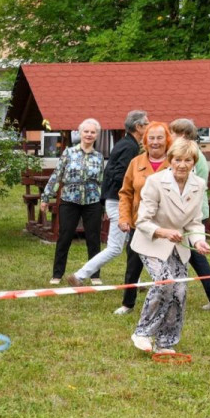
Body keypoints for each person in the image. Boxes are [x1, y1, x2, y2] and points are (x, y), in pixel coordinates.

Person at [129, 138, 210, 353]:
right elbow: (142, 221)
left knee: (180, 290)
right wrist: (164, 232)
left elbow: (195, 221)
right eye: (178, 160)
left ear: (194, 162)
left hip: (179, 245)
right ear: (170, 160)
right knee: (164, 282)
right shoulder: (156, 182)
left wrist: (199, 240)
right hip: (152, 241)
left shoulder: (199, 184)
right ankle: (142, 333)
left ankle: (166, 342)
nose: (182, 165)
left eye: (187, 160)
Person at [67, 110, 147, 288]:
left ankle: (135, 282)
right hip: (119, 201)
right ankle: (80, 276)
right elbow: (119, 175)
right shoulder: (130, 147)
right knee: (115, 247)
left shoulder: (127, 143)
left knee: (133, 243)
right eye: (146, 124)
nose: (148, 127)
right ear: (138, 127)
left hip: (115, 199)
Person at [167, 117, 210, 310]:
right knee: (189, 253)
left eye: (173, 133)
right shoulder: (191, 153)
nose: (170, 136)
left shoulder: (191, 156)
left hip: (192, 214)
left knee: (195, 255)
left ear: (183, 135)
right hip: (190, 212)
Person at [115, 121, 170, 315]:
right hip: (140, 223)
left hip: (165, 224)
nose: (155, 142)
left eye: (159, 138)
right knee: (133, 265)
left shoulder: (174, 162)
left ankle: (166, 302)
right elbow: (125, 193)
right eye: (151, 138)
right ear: (145, 140)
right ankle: (127, 304)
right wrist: (124, 218)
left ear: (167, 140)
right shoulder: (136, 162)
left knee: (166, 264)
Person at [41, 118, 105, 284]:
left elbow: (102, 181)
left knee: (93, 238)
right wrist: (46, 197)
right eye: (86, 131)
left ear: (97, 135)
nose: (89, 135)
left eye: (92, 132)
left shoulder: (99, 157)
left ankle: (95, 275)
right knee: (65, 236)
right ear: (80, 133)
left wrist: (104, 204)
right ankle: (57, 274)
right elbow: (57, 176)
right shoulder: (68, 153)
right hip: (70, 200)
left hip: (93, 202)